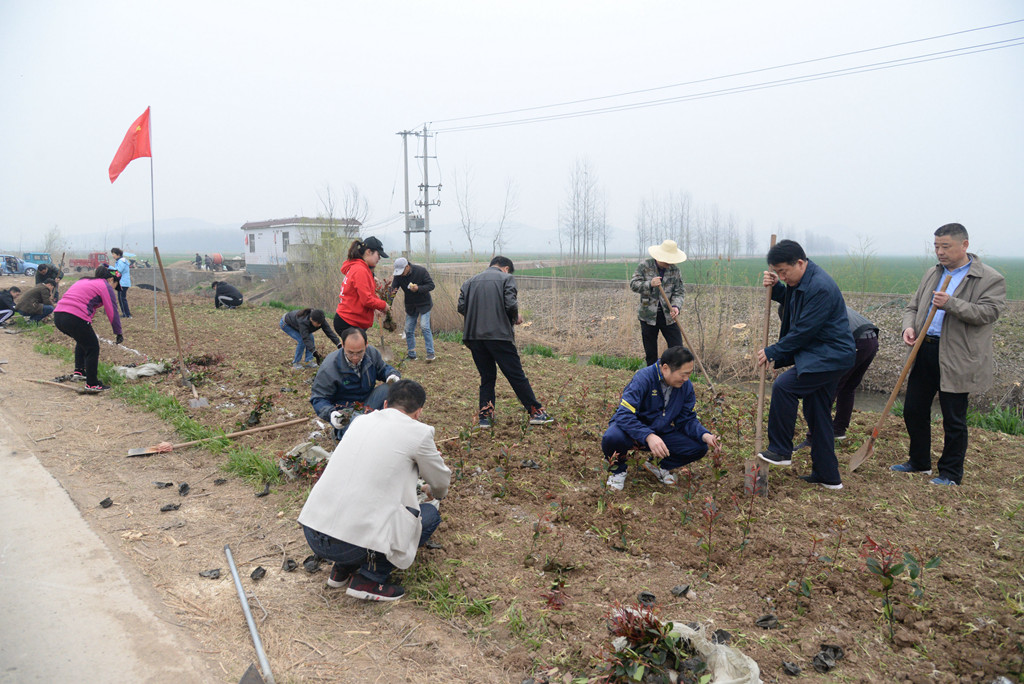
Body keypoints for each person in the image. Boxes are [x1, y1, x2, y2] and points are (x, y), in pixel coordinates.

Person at [298, 379, 450, 601]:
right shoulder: (420, 433)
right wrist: (433, 492)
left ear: (386, 404)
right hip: (351, 545)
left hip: (314, 534)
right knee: (429, 515)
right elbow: (441, 482)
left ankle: (342, 569)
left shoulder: (360, 421)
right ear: (419, 412)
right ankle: (370, 578)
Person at [891, 223, 1006, 486]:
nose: (940, 252)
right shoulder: (933, 273)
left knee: (953, 417)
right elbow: (912, 307)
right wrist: (908, 327)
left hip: (957, 356)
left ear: (964, 245)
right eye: (936, 246)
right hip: (924, 349)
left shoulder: (989, 278)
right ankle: (919, 462)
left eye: (945, 246)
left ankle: (951, 473)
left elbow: (988, 313)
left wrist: (951, 304)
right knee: (914, 410)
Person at [755, 240, 854, 490]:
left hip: (829, 357)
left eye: (784, 271)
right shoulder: (802, 281)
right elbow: (794, 301)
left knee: (785, 386)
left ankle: (780, 450)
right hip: (820, 355)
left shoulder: (820, 287)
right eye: (777, 272)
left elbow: (803, 331)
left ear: (800, 263)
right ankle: (828, 475)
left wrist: (773, 351)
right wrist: (777, 288)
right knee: (817, 411)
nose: (782, 276)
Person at [602, 346, 721, 491]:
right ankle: (618, 471)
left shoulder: (685, 386)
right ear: (665, 368)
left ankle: (658, 466)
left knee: (699, 446)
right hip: (632, 432)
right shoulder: (643, 378)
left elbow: (686, 419)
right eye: (683, 374)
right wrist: (648, 435)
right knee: (612, 437)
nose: (686, 379)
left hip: (660, 431)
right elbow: (624, 414)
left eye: (689, 374)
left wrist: (705, 435)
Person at [458, 255, 553, 428]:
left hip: (474, 336)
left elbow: (462, 307)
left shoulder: (469, 282)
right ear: (506, 268)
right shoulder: (506, 279)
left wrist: (479, 316)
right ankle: (536, 412)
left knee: (487, 377)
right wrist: (516, 317)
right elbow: (510, 305)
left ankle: (485, 417)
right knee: (516, 375)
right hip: (499, 336)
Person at [795, 306, 880, 449]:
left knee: (828, 388)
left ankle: (813, 438)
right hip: (871, 339)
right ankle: (838, 429)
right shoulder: (822, 302)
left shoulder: (811, 310)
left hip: (855, 340)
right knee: (848, 387)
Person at [310, 327, 400, 439]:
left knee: (393, 387)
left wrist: (391, 375)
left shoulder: (372, 353)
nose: (355, 357)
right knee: (358, 426)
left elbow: (383, 369)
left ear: (366, 345)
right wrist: (331, 414)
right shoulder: (330, 367)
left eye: (360, 352)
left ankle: (382, 426)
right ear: (343, 345)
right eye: (350, 353)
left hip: (368, 402)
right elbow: (318, 398)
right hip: (346, 411)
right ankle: (342, 432)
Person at [53, 266, 124, 392]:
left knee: (83, 340)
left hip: (59, 315)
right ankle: (92, 384)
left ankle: (79, 371)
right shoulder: (105, 286)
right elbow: (112, 311)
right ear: (111, 280)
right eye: (115, 285)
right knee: (92, 347)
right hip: (74, 317)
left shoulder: (84, 280)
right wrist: (118, 332)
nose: (114, 289)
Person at [631, 239, 687, 366]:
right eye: (667, 259)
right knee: (651, 353)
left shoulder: (675, 271)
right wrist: (649, 284)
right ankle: (653, 375)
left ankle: (673, 374)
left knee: (677, 350)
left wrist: (676, 307)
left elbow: (679, 292)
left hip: (668, 316)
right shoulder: (644, 266)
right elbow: (633, 284)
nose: (669, 262)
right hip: (648, 316)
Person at [334, 236, 389, 336]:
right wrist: (383, 305)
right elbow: (366, 299)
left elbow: (367, 294)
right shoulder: (360, 270)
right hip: (349, 322)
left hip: (352, 321)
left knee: (359, 346)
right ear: (369, 252)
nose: (379, 258)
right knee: (358, 346)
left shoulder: (361, 268)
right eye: (378, 254)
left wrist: (376, 307)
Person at [391, 256, 436, 362]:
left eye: (402, 271)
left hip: (424, 304)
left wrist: (418, 288)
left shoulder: (420, 271)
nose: (401, 274)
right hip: (411, 305)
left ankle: (430, 354)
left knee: (425, 327)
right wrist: (387, 304)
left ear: (407, 267)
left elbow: (431, 285)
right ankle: (411, 354)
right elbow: (393, 290)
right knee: (408, 329)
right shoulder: (398, 276)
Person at [110, 247, 132, 318]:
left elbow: (117, 272)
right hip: (122, 282)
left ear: (118, 254)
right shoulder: (120, 261)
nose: (113, 255)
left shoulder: (121, 262)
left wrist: (109, 268)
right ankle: (125, 313)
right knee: (121, 299)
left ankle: (127, 314)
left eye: (114, 254)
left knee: (122, 299)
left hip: (123, 283)